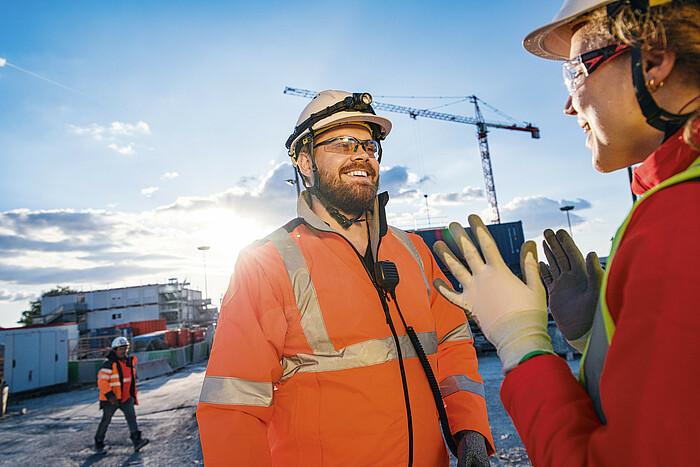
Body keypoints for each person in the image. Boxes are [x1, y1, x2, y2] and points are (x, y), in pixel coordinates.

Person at [432, 0, 700, 465]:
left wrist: (522, 345)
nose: (567, 103)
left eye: (576, 71)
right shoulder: (668, 201)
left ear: (653, 60)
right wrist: (595, 334)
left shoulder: (679, 223)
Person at [197, 90, 494, 466]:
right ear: (306, 162)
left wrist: (470, 431)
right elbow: (233, 408)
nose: (361, 155)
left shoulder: (415, 251)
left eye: (369, 146)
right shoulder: (267, 263)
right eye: (342, 143)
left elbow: (452, 345)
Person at [94, 336, 149, 454]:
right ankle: (99, 443)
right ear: (114, 350)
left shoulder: (127, 363)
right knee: (106, 421)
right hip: (111, 400)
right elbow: (102, 381)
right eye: (121, 349)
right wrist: (110, 396)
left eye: (125, 349)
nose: (124, 351)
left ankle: (137, 441)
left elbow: (130, 380)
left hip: (125, 398)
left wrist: (132, 396)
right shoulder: (108, 364)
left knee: (132, 418)